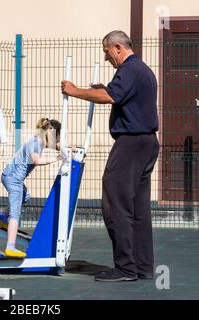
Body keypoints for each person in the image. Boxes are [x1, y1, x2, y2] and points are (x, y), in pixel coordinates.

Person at [61, 30, 159, 282]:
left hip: (130, 145)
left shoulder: (129, 70)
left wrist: (75, 91)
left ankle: (126, 268)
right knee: (138, 209)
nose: (107, 59)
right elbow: (122, 97)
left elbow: (110, 96)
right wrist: (104, 89)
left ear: (117, 47)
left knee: (115, 204)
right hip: (147, 144)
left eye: (107, 52)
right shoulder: (144, 71)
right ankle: (143, 267)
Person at [1, 118, 62, 258]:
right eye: (57, 136)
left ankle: (3, 219)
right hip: (13, 179)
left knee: (25, 196)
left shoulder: (41, 140)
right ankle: (10, 247)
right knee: (15, 213)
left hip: (10, 176)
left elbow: (57, 147)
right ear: (50, 131)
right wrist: (57, 159)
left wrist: (72, 150)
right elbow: (36, 160)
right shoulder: (36, 143)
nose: (57, 140)